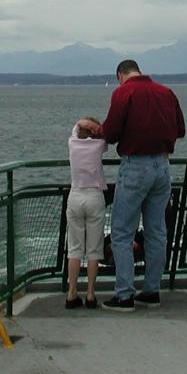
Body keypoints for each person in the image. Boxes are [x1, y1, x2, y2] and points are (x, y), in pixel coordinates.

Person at [93, 59, 186, 311]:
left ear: (120, 76)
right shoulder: (166, 92)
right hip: (163, 167)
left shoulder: (124, 92)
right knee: (156, 231)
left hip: (135, 166)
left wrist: (97, 131)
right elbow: (180, 129)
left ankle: (124, 295)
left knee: (122, 232)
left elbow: (110, 133)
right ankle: (151, 291)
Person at [65, 117, 107, 310]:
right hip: (94, 196)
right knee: (94, 250)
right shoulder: (99, 145)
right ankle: (90, 294)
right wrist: (97, 128)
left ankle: (72, 293)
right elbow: (105, 134)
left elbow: (76, 127)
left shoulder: (72, 143)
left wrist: (83, 123)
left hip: (75, 196)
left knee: (74, 249)